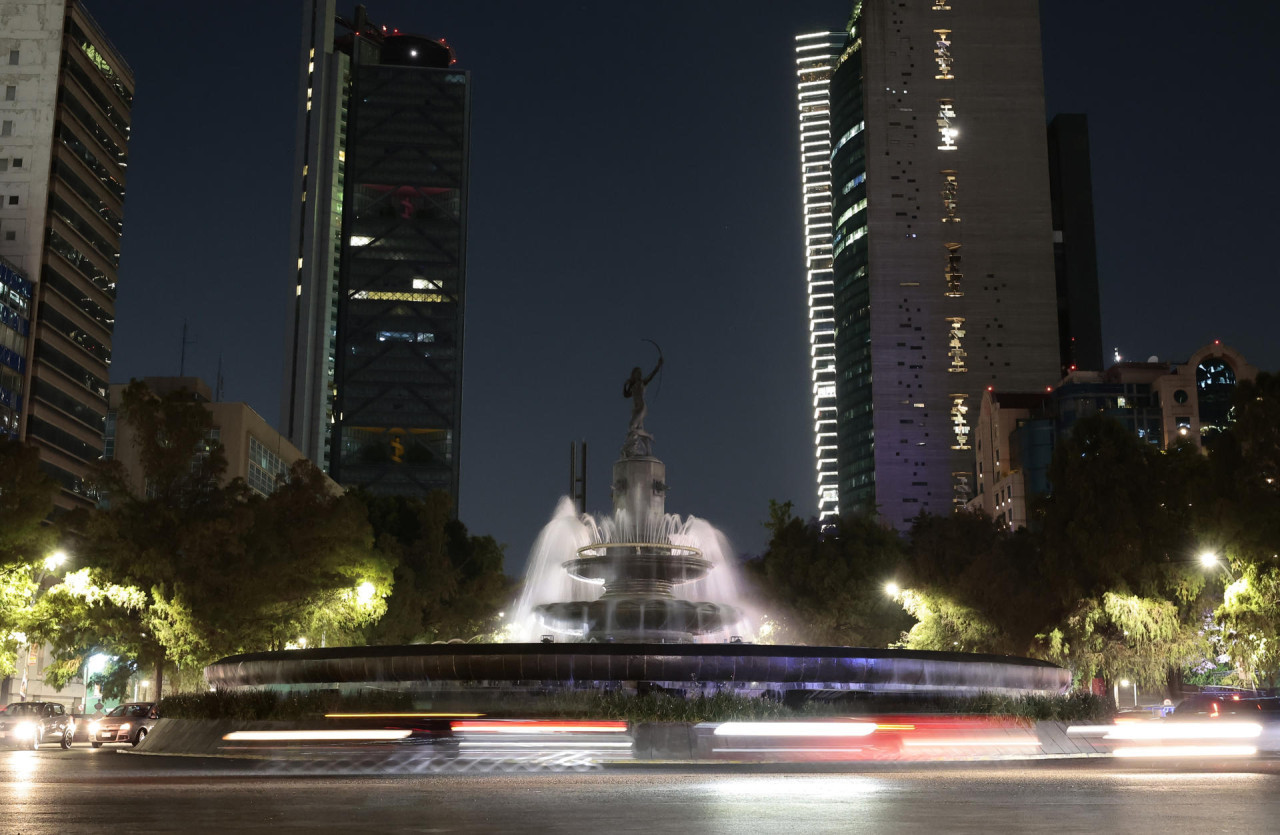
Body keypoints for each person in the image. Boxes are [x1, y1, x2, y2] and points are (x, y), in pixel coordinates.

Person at [623, 355, 663, 436]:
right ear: (633, 374)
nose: (639, 374)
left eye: (640, 373)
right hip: (635, 407)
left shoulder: (642, 382)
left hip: (641, 406)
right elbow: (626, 395)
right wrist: (625, 385)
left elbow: (651, 375)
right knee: (636, 427)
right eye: (637, 373)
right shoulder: (632, 386)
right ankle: (645, 438)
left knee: (632, 425)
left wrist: (658, 366)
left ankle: (642, 438)